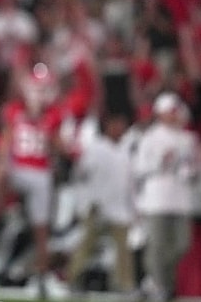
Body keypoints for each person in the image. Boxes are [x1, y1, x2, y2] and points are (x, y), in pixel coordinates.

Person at [0, 63, 64, 294]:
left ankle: (42, 276)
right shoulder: (14, 109)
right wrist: (2, 167)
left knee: (42, 229)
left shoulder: (53, 114)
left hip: (40, 171)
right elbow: (5, 141)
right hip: (19, 168)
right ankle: (2, 216)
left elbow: (57, 146)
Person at [133, 92, 201, 302]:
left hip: (180, 200)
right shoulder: (150, 137)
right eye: (170, 113)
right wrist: (161, 162)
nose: (174, 116)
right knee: (157, 246)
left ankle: (155, 281)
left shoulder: (188, 139)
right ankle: (162, 286)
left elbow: (195, 168)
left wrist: (189, 169)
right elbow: (139, 168)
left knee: (182, 245)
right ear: (161, 114)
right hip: (156, 199)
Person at [66, 112, 136, 295]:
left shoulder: (125, 151)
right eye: (117, 125)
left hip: (119, 206)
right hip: (96, 205)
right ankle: (74, 280)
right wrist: (86, 202)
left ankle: (124, 285)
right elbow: (82, 175)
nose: (121, 129)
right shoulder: (95, 149)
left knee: (123, 248)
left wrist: (132, 206)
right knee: (86, 244)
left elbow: (128, 182)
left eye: (123, 125)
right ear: (109, 126)